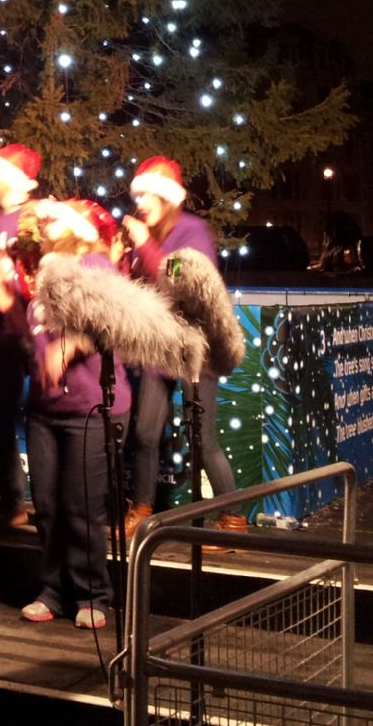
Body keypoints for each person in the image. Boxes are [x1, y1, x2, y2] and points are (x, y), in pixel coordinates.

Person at [13, 199, 131, 631]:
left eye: (50, 224)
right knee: (46, 506)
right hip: (46, 410)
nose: (42, 230)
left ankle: (92, 593)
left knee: (82, 508)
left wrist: (72, 345)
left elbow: (106, 317)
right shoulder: (46, 274)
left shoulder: (96, 263)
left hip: (88, 408)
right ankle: (52, 590)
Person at [122, 155, 241, 540]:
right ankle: (141, 508)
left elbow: (181, 278)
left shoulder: (193, 231)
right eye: (137, 197)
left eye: (147, 197)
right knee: (144, 433)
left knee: (202, 438)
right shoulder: (147, 237)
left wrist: (144, 246)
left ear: (167, 199)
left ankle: (233, 518)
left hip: (196, 352)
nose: (140, 205)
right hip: (160, 351)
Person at [0, 143, 42, 527]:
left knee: (40, 417)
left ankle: (48, 502)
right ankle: (14, 499)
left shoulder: (41, 216)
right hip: (2, 331)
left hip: (39, 329)